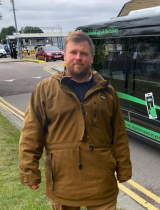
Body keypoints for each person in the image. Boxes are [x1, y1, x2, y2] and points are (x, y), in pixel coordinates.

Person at [18, 31, 132, 209]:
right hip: (63, 185)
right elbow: (31, 133)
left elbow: (119, 134)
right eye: (73, 52)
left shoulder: (107, 91)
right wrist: (29, 172)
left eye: (84, 53)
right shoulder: (45, 90)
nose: (78, 57)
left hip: (102, 185)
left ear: (91, 58)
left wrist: (124, 168)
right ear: (65, 55)